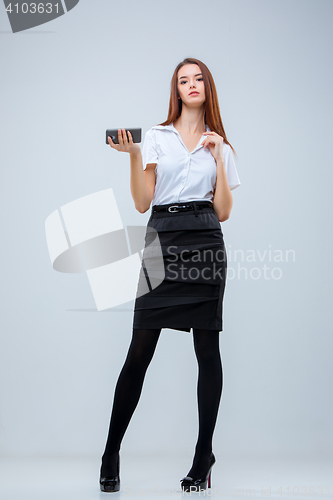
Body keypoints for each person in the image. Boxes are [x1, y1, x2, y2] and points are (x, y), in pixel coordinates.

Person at [100, 57, 241, 493]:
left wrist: (217, 158)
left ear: (207, 87)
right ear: (176, 90)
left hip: (204, 238)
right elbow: (143, 203)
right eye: (184, 80)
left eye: (198, 78)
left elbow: (222, 211)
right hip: (162, 237)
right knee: (139, 350)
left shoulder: (222, 145)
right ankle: (110, 451)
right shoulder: (158, 137)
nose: (192, 84)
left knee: (207, 350)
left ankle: (203, 456)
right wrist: (136, 155)